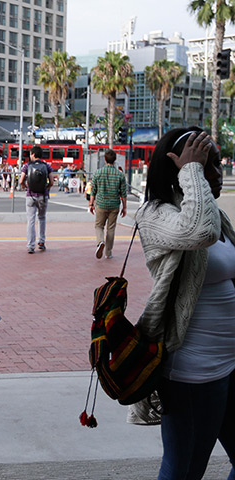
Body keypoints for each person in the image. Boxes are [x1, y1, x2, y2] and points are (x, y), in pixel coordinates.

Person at [128, 127, 235, 479]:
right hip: (194, 372)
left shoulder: (216, 215)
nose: (217, 175)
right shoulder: (155, 214)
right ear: (180, 170)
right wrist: (191, 171)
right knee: (184, 471)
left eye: (217, 165)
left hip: (229, 364)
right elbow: (198, 233)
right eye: (208, 167)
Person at [89, 149, 128, 260]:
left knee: (99, 226)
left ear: (105, 159)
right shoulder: (120, 175)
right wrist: (124, 207)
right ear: (115, 160)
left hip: (101, 204)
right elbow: (123, 193)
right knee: (111, 228)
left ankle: (101, 241)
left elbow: (93, 191)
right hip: (114, 205)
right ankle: (108, 252)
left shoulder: (97, 173)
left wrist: (91, 204)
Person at [19, 146, 56, 254]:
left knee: (31, 220)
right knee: (42, 218)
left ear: (33, 154)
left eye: (30, 154)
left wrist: (26, 187)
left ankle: (30, 246)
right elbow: (52, 182)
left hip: (30, 196)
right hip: (42, 196)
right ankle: (41, 241)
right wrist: (46, 188)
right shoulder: (47, 166)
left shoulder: (27, 166)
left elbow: (21, 180)